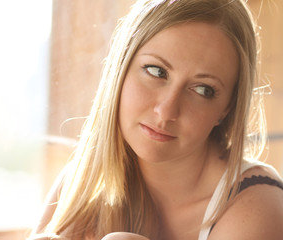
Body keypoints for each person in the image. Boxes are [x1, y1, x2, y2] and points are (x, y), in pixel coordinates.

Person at [29, 0, 283, 239]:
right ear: (121, 67)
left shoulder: (258, 206)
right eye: (156, 71)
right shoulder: (83, 182)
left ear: (226, 109)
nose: (166, 111)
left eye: (203, 89)